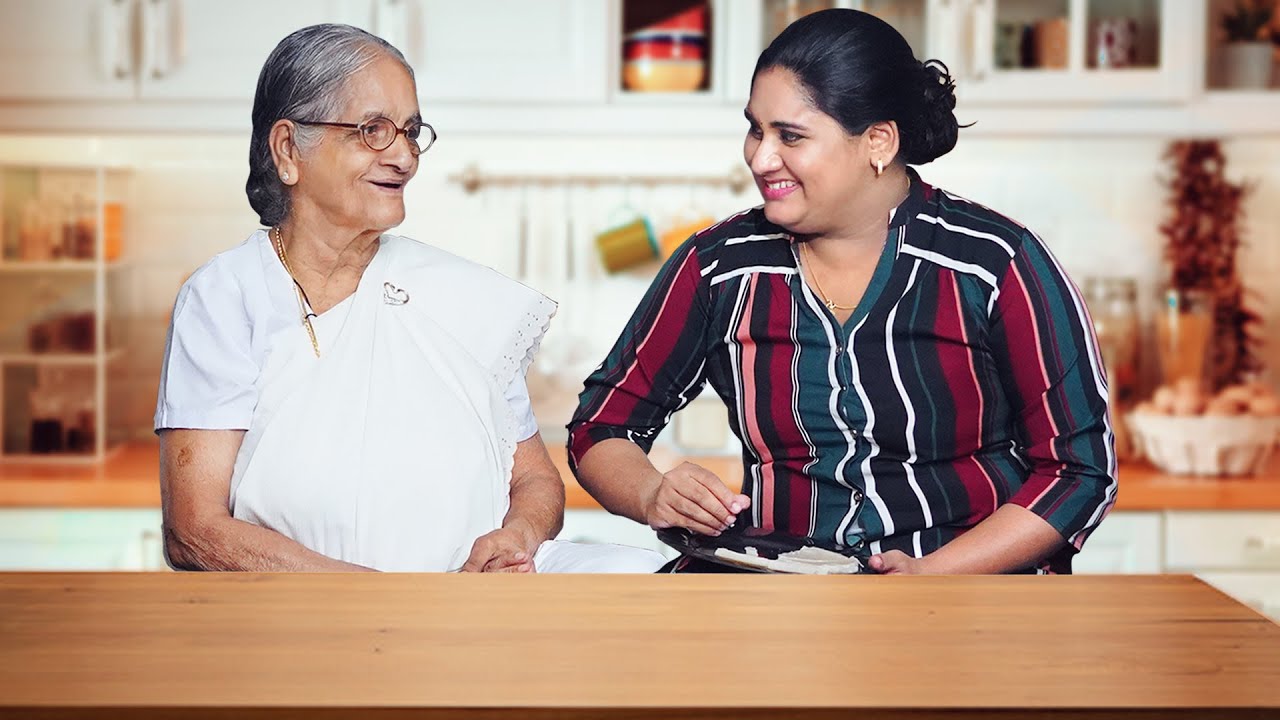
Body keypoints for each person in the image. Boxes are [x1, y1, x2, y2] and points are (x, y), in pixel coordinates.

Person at [567, 9, 1116, 574]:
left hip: (968, 603)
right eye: (756, 128)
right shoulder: (719, 266)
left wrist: (932, 574)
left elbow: (1079, 472)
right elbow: (600, 427)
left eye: (791, 136)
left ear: (877, 141)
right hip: (776, 600)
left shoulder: (992, 264)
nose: (760, 157)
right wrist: (652, 493)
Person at [155, 24, 664, 574]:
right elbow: (195, 531)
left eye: (410, 131)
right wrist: (380, 601)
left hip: (473, 609)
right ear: (287, 148)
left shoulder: (457, 295)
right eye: (372, 129)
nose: (403, 156)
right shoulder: (225, 297)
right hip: (305, 624)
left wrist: (517, 536)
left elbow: (535, 481)